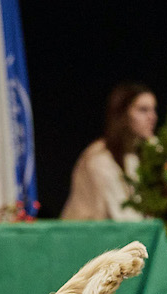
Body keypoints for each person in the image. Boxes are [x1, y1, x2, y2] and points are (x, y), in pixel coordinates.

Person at [61, 83, 157, 221]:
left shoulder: (144, 154)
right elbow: (122, 217)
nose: (152, 117)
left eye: (153, 110)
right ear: (122, 114)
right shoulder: (100, 158)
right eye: (143, 110)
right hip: (96, 232)